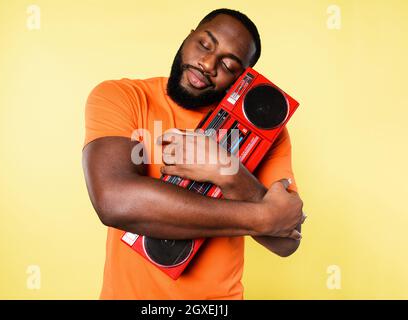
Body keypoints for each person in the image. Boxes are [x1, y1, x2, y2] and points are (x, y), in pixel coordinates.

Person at [82, 8, 305, 300]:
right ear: (189, 37)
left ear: (244, 80)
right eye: (205, 44)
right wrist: (264, 217)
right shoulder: (123, 96)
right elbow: (114, 201)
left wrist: (226, 170)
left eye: (229, 64)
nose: (208, 64)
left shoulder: (263, 132)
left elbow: (286, 243)